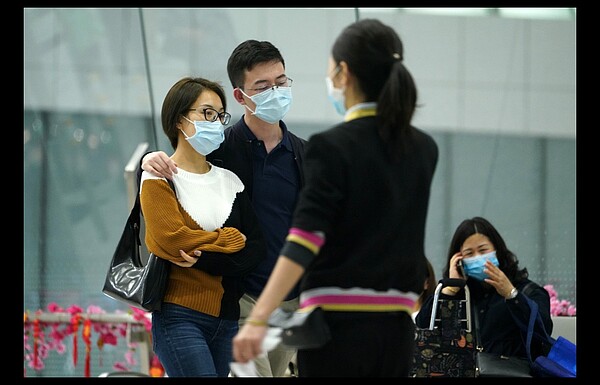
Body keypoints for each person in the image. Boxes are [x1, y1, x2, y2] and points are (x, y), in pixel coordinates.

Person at [232, 18, 439, 377]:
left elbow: (304, 241)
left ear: (344, 73)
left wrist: (259, 318)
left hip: (335, 330)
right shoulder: (423, 148)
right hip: (397, 329)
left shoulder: (329, 147)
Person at [139, 40, 305, 377]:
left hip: (290, 300)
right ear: (241, 96)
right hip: (241, 296)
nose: (275, 91)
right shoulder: (220, 149)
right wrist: (149, 158)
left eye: (281, 82)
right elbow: (182, 171)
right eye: (263, 85)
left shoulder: (306, 156)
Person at [139, 76, 266, 377]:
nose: (216, 121)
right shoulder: (159, 178)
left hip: (228, 319)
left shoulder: (230, 182)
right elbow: (170, 240)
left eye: (220, 115)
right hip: (179, 316)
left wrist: (205, 254)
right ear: (179, 120)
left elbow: (255, 249)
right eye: (206, 113)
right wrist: (228, 239)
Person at [415, 216, 553, 359]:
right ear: (459, 260)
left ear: (497, 251)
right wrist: (450, 289)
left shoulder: (526, 290)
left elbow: (543, 331)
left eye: (483, 250)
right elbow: (423, 328)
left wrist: (512, 295)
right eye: (469, 253)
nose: (478, 257)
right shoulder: (459, 295)